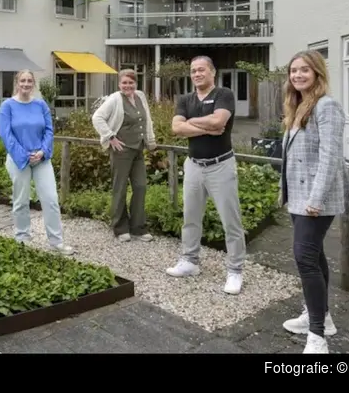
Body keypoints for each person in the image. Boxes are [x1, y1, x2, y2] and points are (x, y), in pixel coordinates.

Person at [279, 50, 349, 354]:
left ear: (317, 73)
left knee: (305, 258)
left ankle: (318, 336)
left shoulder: (326, 106)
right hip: (298, 197)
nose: (297, 75)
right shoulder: (297, 106)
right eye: (293, 71)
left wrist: (316, 199)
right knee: (315, 256)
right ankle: (322, 316)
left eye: (304, 70)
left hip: (315, 199)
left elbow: (330, 157)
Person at [165, 56, 246, 296]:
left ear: (212, 72)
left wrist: (191, 122)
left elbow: (219, 120)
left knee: (230, 221)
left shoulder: (224, 94)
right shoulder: (185, 99)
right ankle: (190, 261)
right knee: (190, 217)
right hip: (194, 166)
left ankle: (235, 270)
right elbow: (176, 128)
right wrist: (205, 126)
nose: (196, 74)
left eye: (201, 70)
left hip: (220, 165)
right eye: (193, 71)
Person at [0, 69, 74, 255]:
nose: (25, 84)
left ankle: (56, 241)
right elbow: (6, 135)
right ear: (17, 83)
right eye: (22, 80)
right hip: (18, 160)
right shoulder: (7, 106)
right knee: (21, 200)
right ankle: (22, 238)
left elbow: (49, 130)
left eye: (29, 80)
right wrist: (24, 155)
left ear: (33, 83)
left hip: (41, 159)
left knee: (51, 199)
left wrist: (42, 151)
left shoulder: (41, 105)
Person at [92, 68, 156, 242]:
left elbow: (147, 119)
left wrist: (151, 140)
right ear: (119, 84)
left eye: (131, 82)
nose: (127, 86)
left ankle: (138, 227)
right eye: (124, 83)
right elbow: (97, 117)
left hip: (138, 149)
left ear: (136, 83)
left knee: (140, 187)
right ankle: (120, 228)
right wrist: (110, 136)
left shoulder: (140, 96)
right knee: (120, 188)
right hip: (121, 151)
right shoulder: (114, 99)